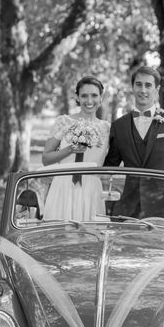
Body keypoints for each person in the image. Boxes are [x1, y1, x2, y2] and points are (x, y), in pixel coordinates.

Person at [104, 66, 164, 220]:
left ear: (156, 90)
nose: (143, 90)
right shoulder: (119, 126)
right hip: (128, 208)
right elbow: (109, 166)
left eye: (148, 85)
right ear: (132, 87)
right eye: (138, 84)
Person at [42, 76, 110, 221]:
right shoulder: (64, 122)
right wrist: (70, 150)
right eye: (84, 95)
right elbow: (46, 158)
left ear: (101, 98)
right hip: (64, 186)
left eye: (94, 95)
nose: (89, 101)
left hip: (91, 188)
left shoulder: (107, 128)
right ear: (77, 97)